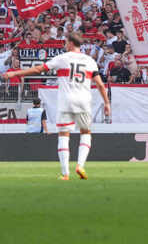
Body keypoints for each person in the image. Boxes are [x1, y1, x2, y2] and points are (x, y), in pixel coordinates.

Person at [2, 32, 111, 180]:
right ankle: (80, 165)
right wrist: (106, 103)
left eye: (66, 42)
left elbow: (37, 70)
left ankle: (65, 173)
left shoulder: (62, 59)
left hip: (66, 100)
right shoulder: (90, 61)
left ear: (71, 43)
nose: (64, 44)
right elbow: (99, 84)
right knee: (85, 133)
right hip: (84, 100)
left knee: (63, 136)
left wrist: (15, 73)